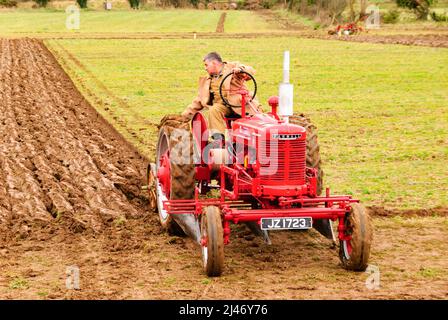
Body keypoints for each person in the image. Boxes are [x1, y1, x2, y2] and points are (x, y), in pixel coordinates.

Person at [182, 52, 262, 137]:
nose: (205, 68)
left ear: (214, 63)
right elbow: (198, 101)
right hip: (222, 107)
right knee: (214, 109)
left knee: (259, 122)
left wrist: (240, 70)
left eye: (206, 65)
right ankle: (218, 139)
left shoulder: (232, 67)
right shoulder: (207, 80)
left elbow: (250, 71)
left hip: (241, 105)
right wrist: (183, 117)